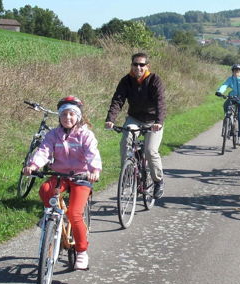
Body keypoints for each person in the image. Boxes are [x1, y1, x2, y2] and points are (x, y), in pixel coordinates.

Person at [22, 96, 102, 270]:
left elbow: (92, 153)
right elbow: (44, 151)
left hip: (81, 177)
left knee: (74, 213)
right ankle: (50, 216)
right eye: (64, 114)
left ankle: (81, 251)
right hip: (60, 175)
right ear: (59, 117)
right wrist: (33, 165)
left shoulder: (85, 135)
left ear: (78, 117)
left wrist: (94, 170)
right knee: (45, 189)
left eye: (72, 114)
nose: (68, 118)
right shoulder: (53, 134)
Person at [105, 52, 166, 199]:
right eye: (135, 64)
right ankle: (127, 176)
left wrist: (159, 121)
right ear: (131, 65)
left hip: (153, 121)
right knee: (126, 142)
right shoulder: (126, 80)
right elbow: (118, 101)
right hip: (135, 118)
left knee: (150, 150)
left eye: (142, 64)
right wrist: (110, 119)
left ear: (147, 66)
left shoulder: (154, 80)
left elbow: (160, 102)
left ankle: (158, 181)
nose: (138, 67)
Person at [215, 64, 240, 146]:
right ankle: (228, 121)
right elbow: (225, 85)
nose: (236, 72)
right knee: (225, 105)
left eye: (238, 70)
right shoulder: (230, 79)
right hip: (232, 97)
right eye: (234, 70)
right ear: (233, 72)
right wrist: (220, 91)